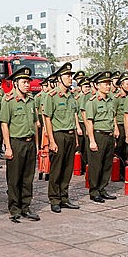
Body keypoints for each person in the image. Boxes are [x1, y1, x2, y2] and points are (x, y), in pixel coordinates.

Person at [1, 66, 41, 222]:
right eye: (24, 82)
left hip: (30, 143)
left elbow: (35, 124)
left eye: (28, 82)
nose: (27, 85)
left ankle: (26, 206)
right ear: (16, 83)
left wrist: (37, 145)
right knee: (14, 178)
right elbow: (4, 124)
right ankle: (14, 208)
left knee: (27, 178)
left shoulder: (31, 101)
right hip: (16, 143)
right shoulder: (8, 101)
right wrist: (8, 147)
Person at [42, 62, 81, 212]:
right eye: (67, 76)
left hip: (70, 134)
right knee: (57, 169)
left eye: (71, 76)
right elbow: (47, 119)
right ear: (59, 78)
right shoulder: (51, 96)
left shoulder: (71, 96)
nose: (70, 78)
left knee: (67, 168)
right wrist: (51, 140)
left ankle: (64, 197)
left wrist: (76, 137)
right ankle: (54, 199)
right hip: (58, 135)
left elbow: (73, 116)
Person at [84, 72, 119, 203]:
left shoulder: (111, 100)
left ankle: (102, 188)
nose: (108, 86)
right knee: (96, 165)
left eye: (109, 84)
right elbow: (89, 122)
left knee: (106, 165)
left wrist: (115, 130)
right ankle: (94, 191)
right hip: (98, 135)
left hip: (108, 135)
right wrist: (92, 140)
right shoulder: (92, 102)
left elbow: (113, 116)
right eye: (105, 84)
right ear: (98, 86)